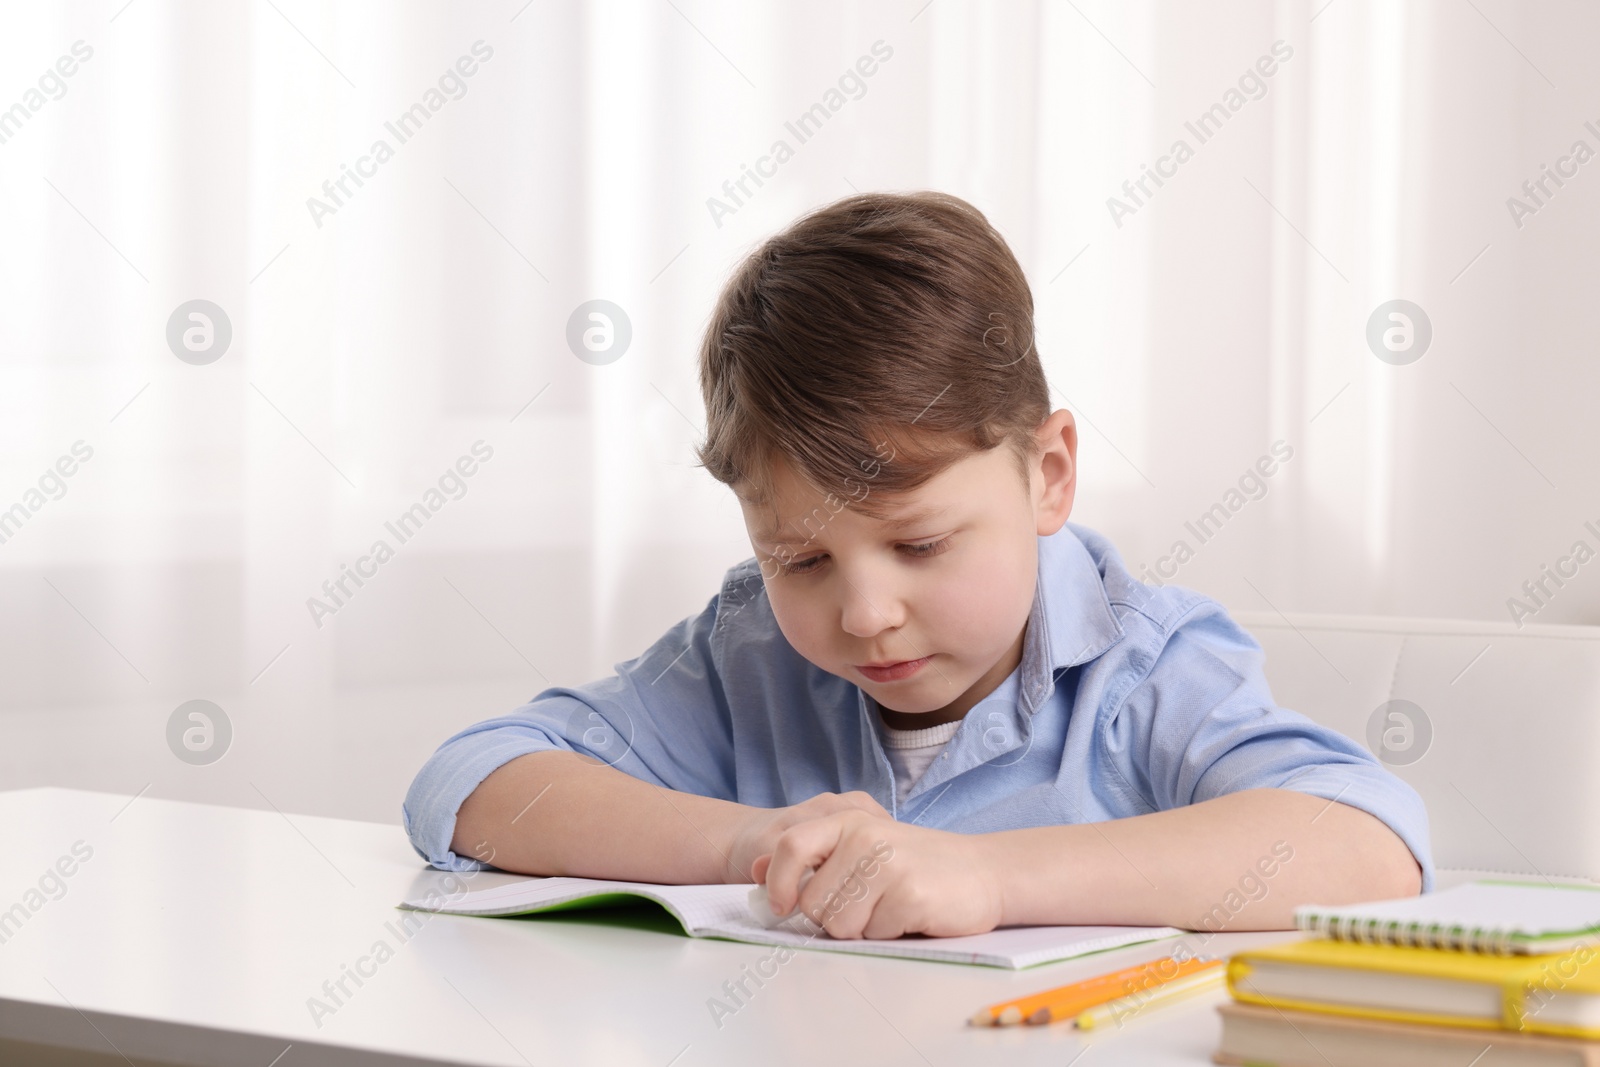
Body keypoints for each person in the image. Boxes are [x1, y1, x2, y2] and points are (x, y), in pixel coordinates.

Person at [403, 190, 1430, 940]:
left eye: (921, 543)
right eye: (799, 557)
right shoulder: (744, 654)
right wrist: (743, 843)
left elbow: (1368, 839)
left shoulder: (1147, 664)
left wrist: (988, 876)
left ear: (1049, 473)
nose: (863, 611)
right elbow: (469, 782)